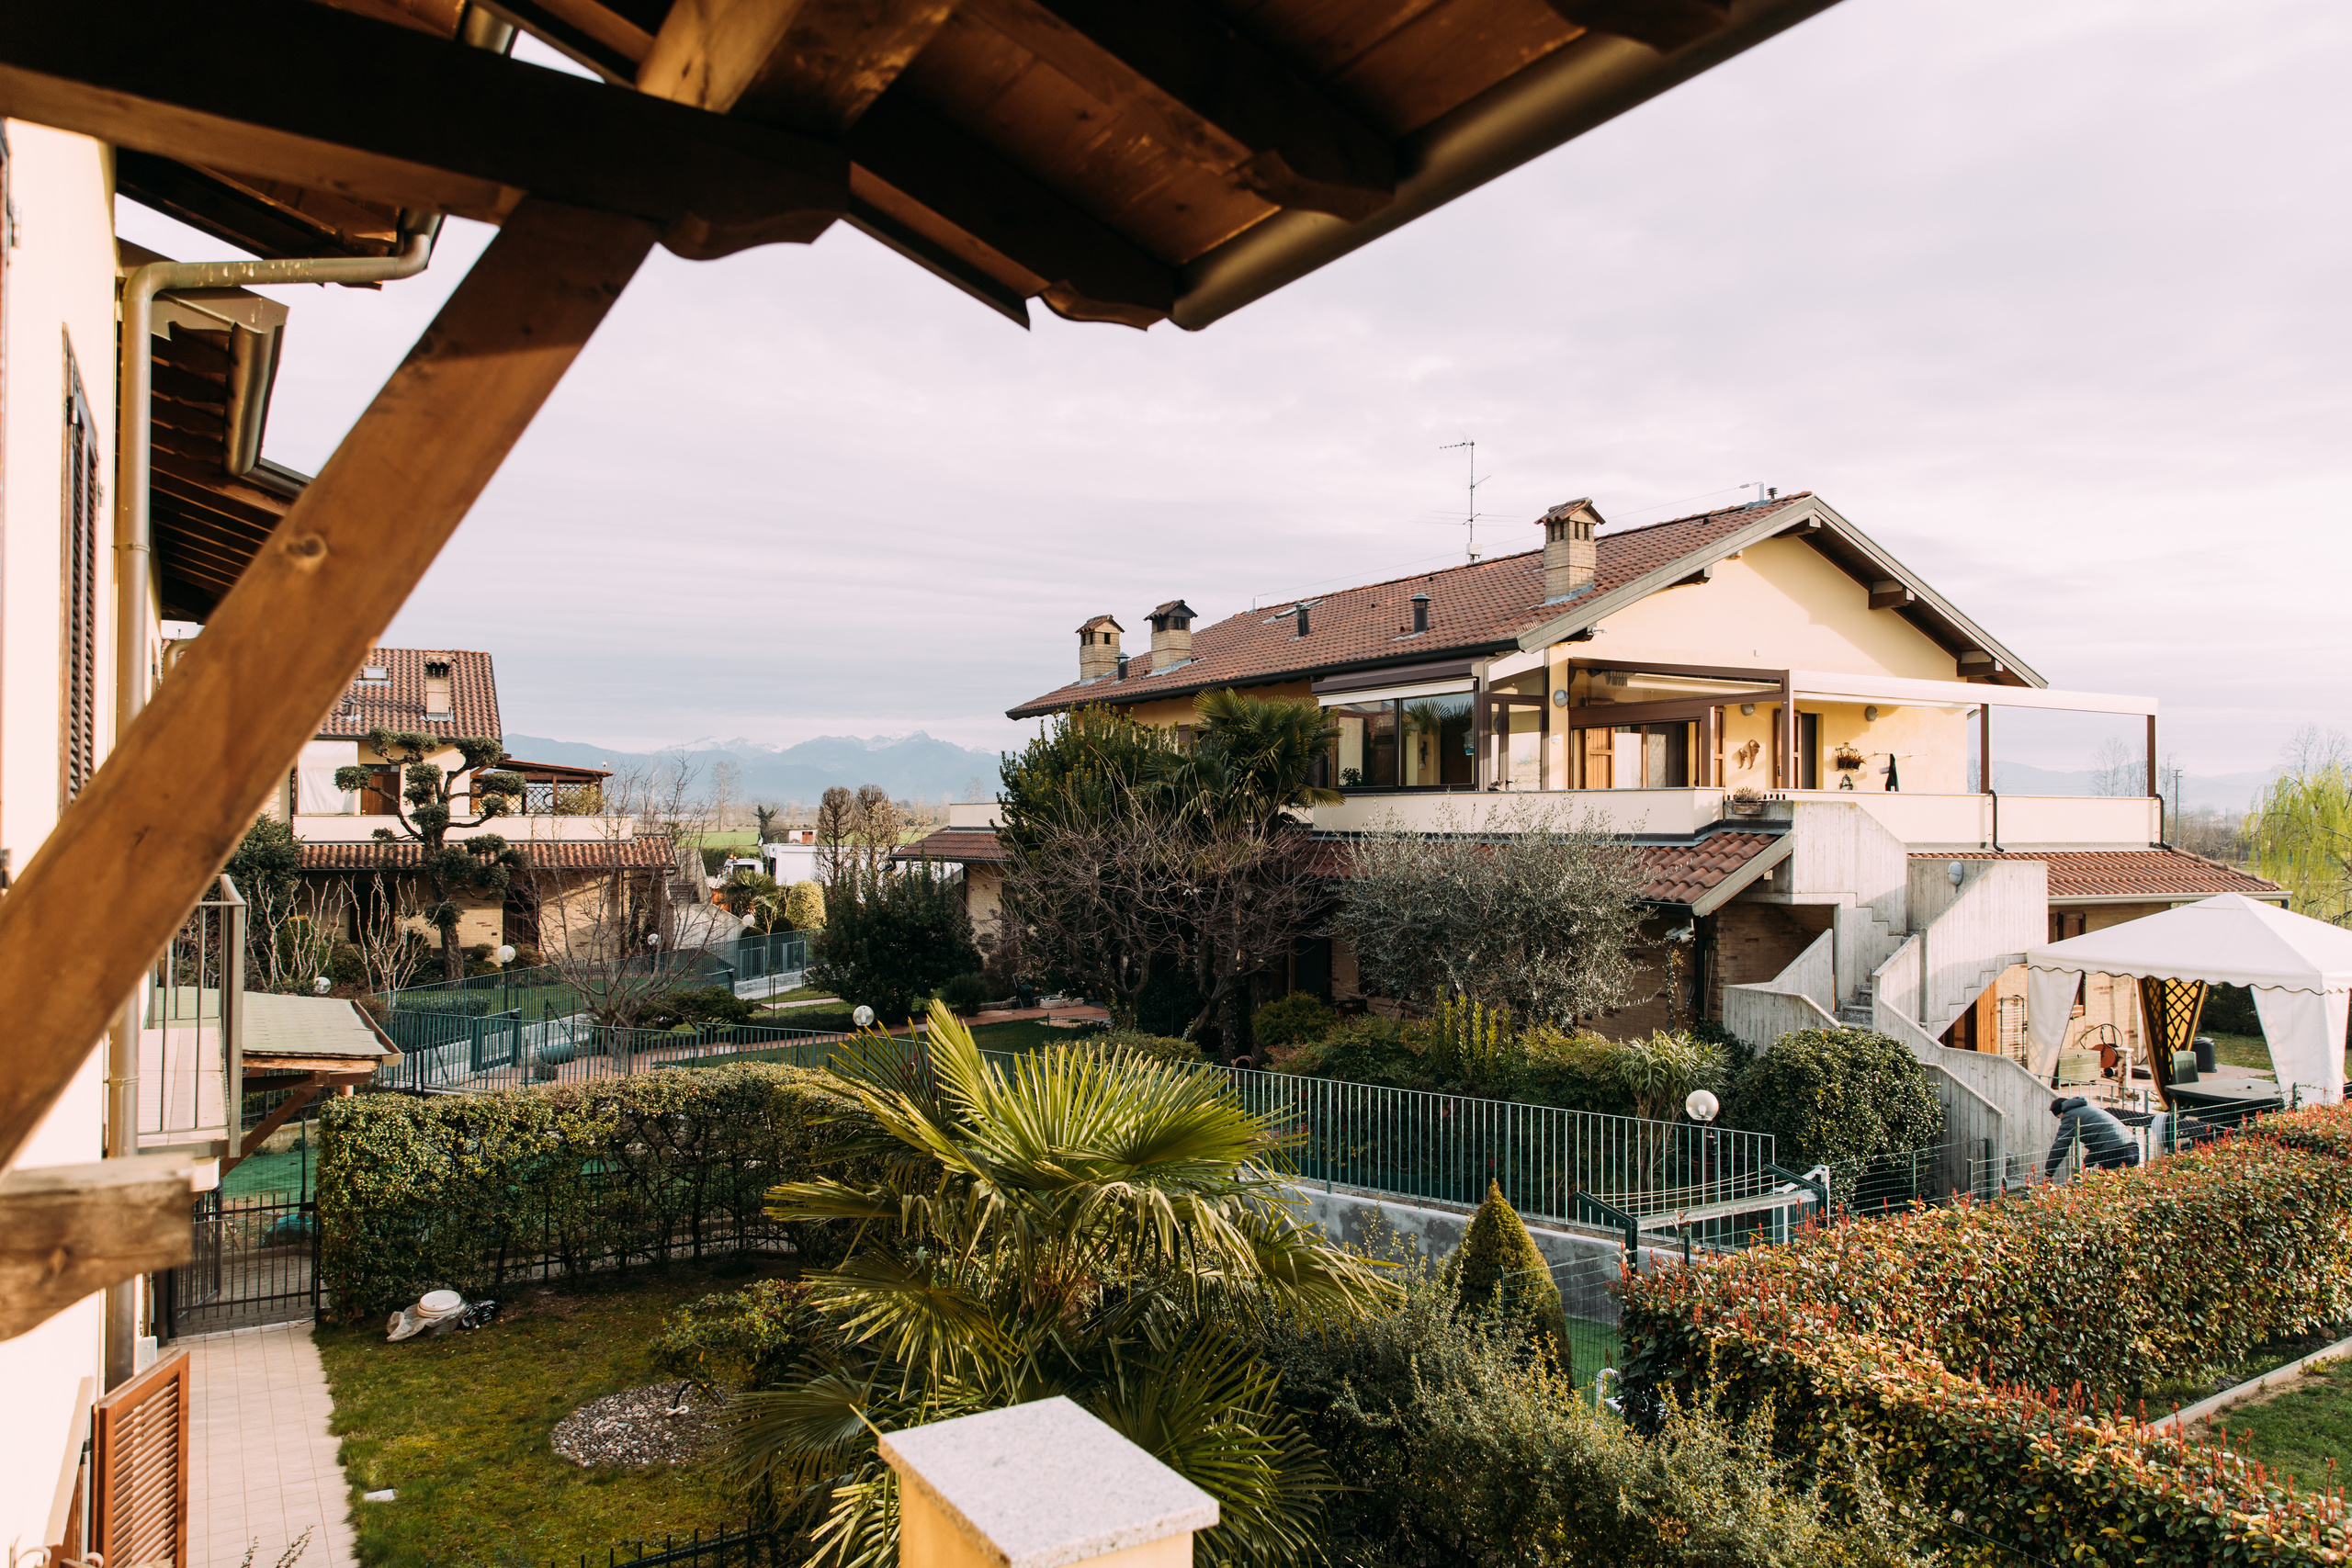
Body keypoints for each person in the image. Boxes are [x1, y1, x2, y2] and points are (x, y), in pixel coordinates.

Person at [2044, 1095, 2139, 1181]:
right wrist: (2086, 1165)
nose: (2061, 1120)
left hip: (2114, 1152)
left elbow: (2060, 1145)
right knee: (2126, 1185)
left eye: (2059, 1117)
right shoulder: (2088, 1109)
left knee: (2104, 1186)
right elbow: (2097, 1146)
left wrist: (2049, 1172)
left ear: (2061, 1113)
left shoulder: (2069, 1115)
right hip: (2132, 1147)